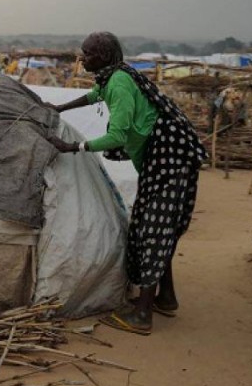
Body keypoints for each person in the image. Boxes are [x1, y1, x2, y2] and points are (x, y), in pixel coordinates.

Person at [49, 32, 206, 335]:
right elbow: (95, 95)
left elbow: (118, 136)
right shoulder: (113, 77)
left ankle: (142, 314)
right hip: (165, 156)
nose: (82, 59)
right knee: (159, 226)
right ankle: (166, 298)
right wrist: (59, 108)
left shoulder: (119, 83)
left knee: (151, 228)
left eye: (88, 54)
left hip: (169, 158)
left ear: (104, 57)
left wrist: (74, 148)